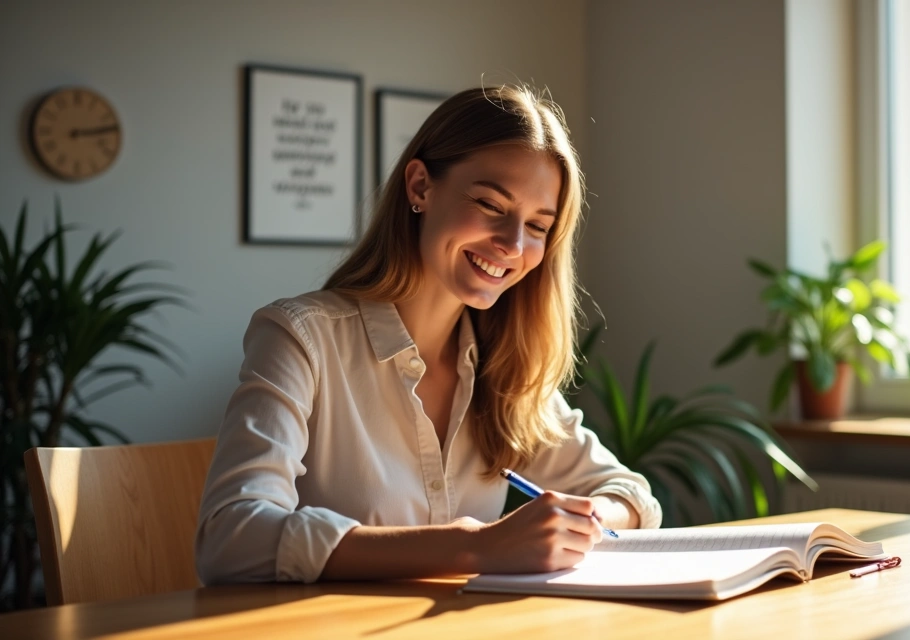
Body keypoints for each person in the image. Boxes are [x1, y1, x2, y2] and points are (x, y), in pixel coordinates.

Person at [195, 85, 662, 585]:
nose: (511, 243)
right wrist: (474, 546)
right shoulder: (300, 338)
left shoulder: (505, 363)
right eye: (489, 204)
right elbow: (231, 539)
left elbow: (631, 496)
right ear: (419, 186)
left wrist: (575, 522)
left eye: (537, 226)